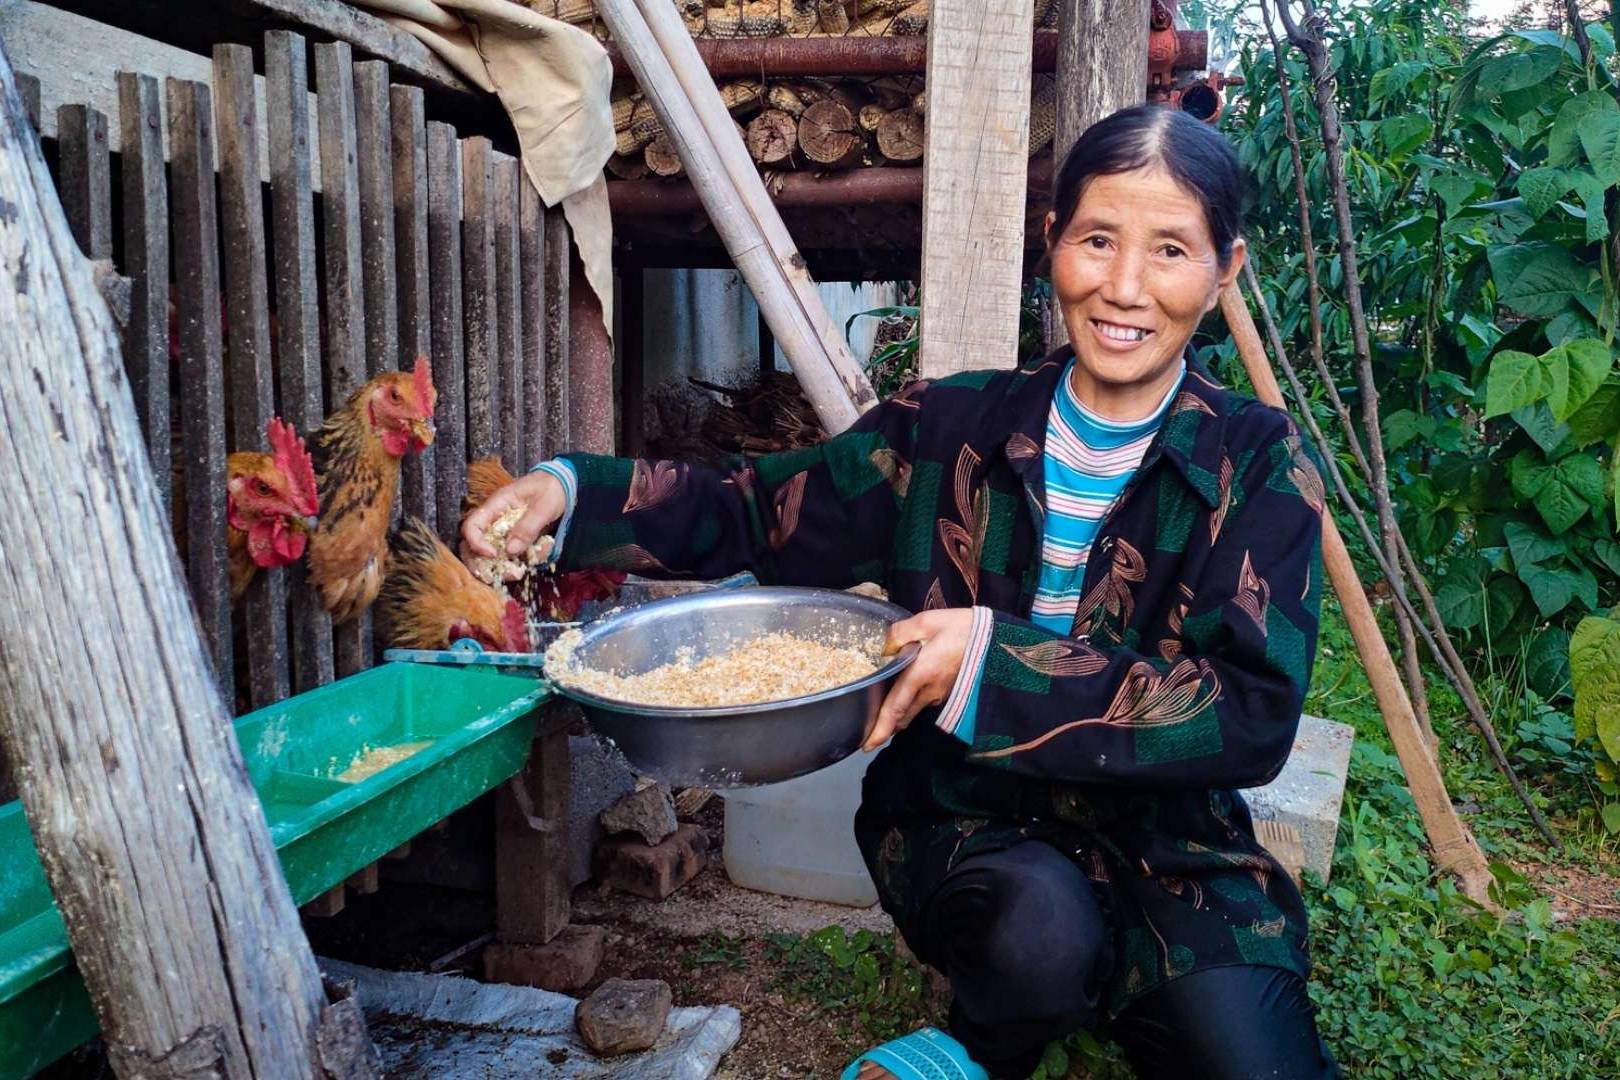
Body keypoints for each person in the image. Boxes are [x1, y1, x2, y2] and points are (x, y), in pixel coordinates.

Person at [464, 104, 1339, 1080]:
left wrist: (988, 659)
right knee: (1036, 939)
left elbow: (1250, 714)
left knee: (1248, 1057)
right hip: (969, 813)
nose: (1125, 286)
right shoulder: (947, 429)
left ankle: (1117, 983)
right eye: (1098, 239)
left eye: (1170, 250)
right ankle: (985, 1038)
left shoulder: (1256, 463)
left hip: (1169, 841)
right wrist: (577, 491)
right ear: (1053, 242)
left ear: (1226, 270)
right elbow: (757, 513)